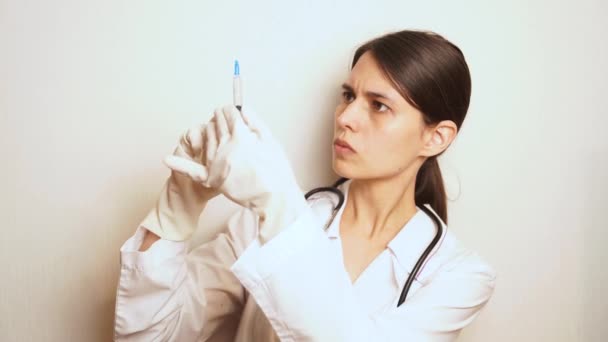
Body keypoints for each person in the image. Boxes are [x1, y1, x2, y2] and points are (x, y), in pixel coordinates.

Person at [113, 29, 496, 341]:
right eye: (348, 96)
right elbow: (150, 336)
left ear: (436, 137)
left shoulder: (458, 275)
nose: (346, 116)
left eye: (378, 105)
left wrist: (279, 201)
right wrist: (177, 208)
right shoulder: (261, 224)